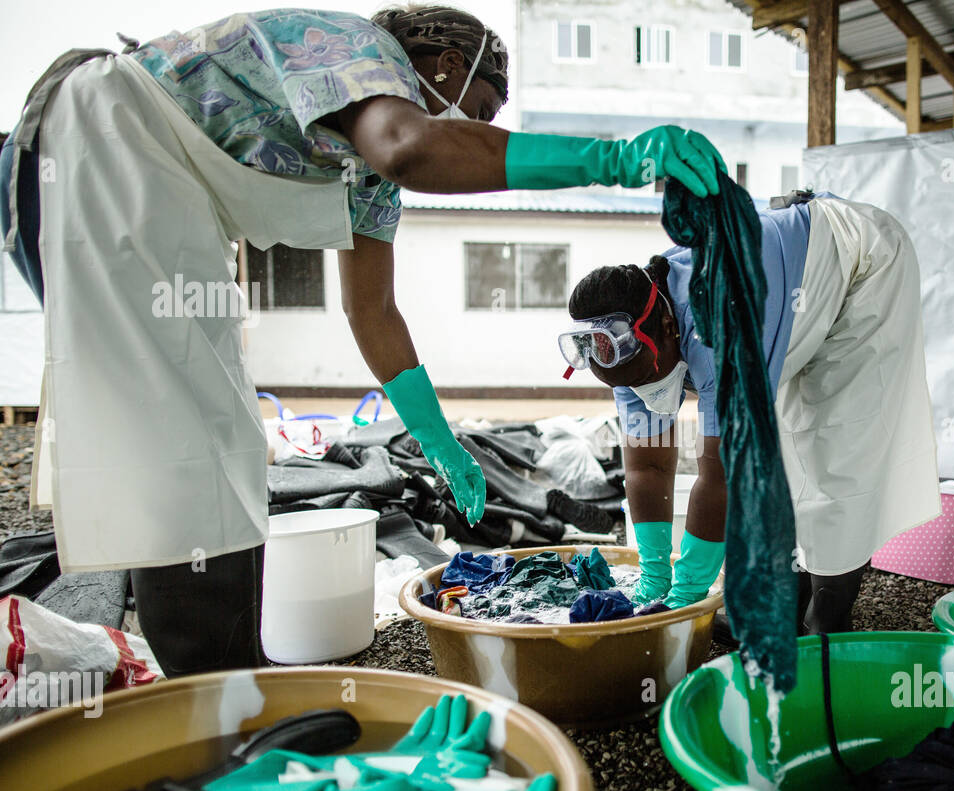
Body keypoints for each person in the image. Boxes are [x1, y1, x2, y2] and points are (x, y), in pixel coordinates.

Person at [0, 4, 725, 676]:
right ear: (441, 61)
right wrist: (612, 160)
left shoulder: (368, 178)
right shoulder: (361, 53)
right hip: (108, 140)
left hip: (158, 186)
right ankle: (215, 700)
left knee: (223, 442)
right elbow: (411, 146)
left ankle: (228, 679)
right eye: (477, 113)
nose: (471, 132)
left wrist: (439, 439)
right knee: (185, 443)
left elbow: (371, 312)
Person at [558, 191, 942, 634]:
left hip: (859, 263)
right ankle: (788, 602)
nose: (640, 392)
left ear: (668, 327)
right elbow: (646, 466)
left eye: (647, 376)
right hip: (778, 294)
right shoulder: (628, 354)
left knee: (836, 445)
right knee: (779, 444)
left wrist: (687, 596)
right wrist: (653, 579)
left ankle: (829, 617)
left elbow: (722, 475)